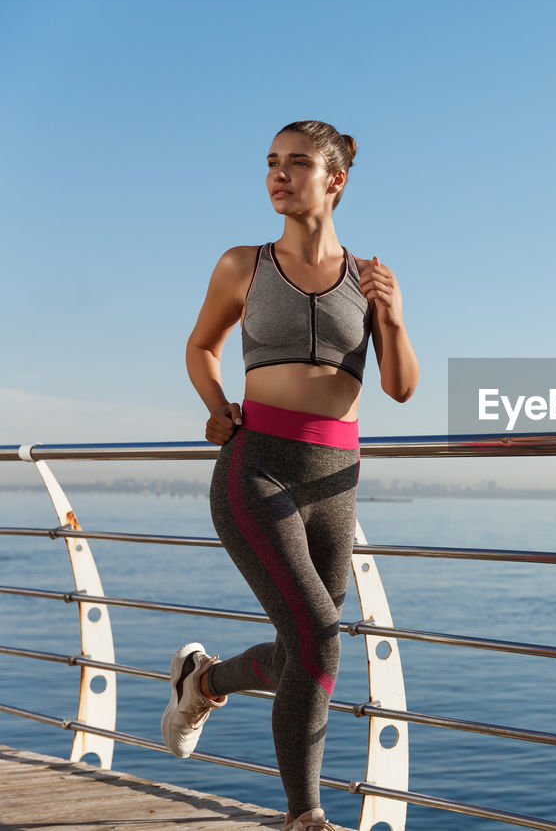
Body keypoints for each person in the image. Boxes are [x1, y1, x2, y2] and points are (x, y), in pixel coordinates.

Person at [166, 120, 419, 831]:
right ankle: (305, 815)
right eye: (272, 163)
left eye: (297, 164)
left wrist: (393, 317)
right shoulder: (242, 264)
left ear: (334, 180)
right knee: (319, 636)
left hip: (336, 480)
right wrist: (216, 408)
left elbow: (400, 386)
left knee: (299, 649)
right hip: (258, 467)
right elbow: (200, 345)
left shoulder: (367, 278)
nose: (278, 174)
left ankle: (203, 680)